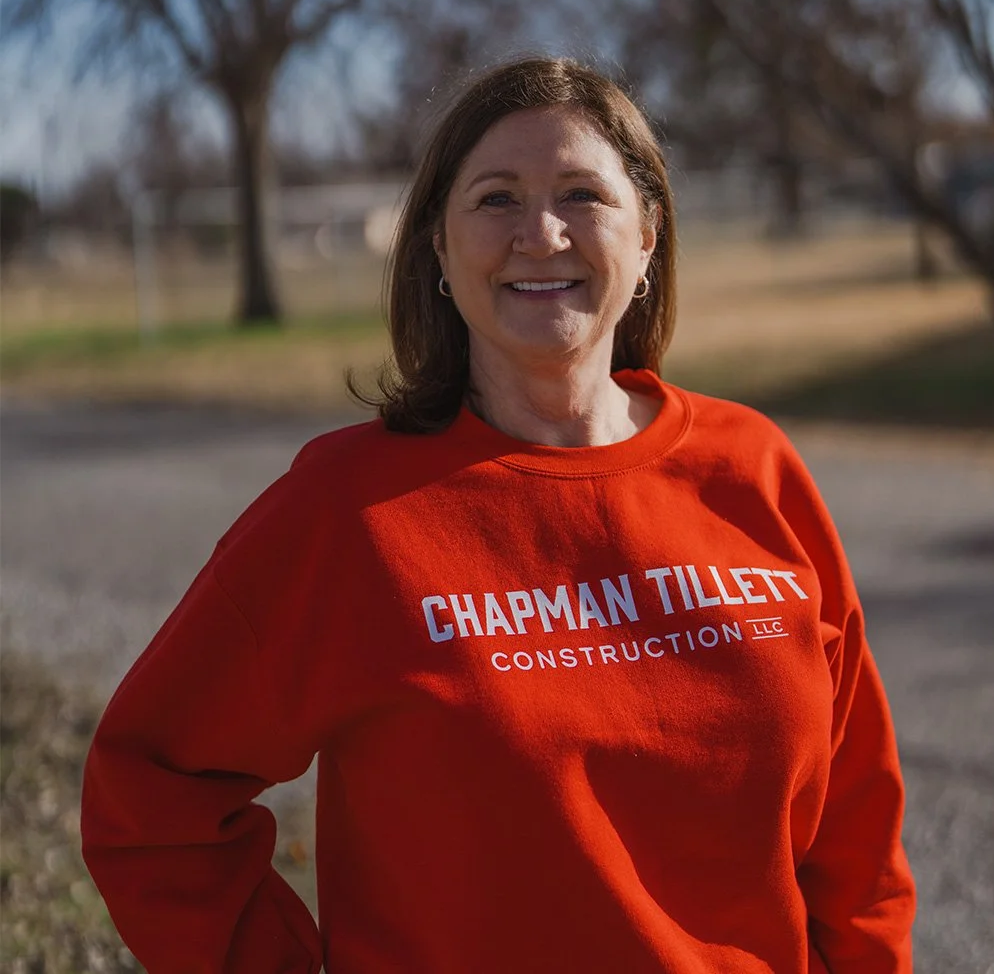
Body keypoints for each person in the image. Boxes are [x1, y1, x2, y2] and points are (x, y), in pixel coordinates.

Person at [82, 56, 916, 973]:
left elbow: (857, 833)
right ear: (439, 246)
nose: (541, 233)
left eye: (581, 194)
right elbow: (148, 791)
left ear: (648, 235)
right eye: (496, 199)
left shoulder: (754, 468)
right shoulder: (346, 513)